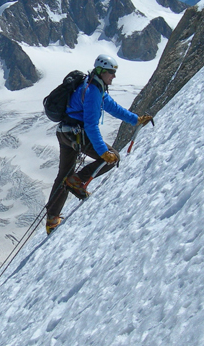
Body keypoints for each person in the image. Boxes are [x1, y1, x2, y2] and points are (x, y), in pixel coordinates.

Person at [45, 54, 152, 234]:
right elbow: (91, 126)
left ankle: (52, 219)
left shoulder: (91, 85)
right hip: (77, 134)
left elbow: (112, 107)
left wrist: (135, 120)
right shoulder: (94, 91)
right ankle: (77, 182)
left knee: (64, 174)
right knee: (112, 158)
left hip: (65, 133)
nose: (114, 76)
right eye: (111, 72)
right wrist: (103, 152)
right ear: (102, 71)